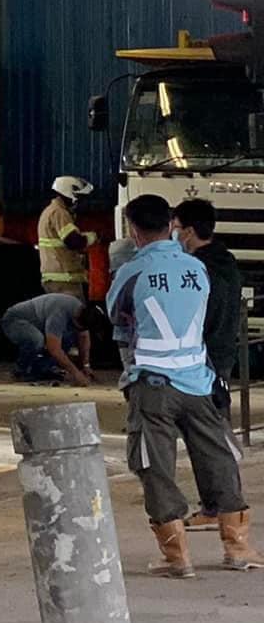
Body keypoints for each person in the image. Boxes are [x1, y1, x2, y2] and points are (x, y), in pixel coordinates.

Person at [107, 193, 262, 576]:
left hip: (154, 385)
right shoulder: (197, 268)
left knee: (154, 466)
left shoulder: (133, 270)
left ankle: (177, 557)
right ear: (170, 224)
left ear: (133, 229)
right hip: (199, 380)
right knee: (218, 460)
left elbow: (116, 313)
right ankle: (238, 549)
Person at [175, 197, 245, 527]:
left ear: (189, 231)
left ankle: (218, 508)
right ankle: (222, 506)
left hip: (204, 364)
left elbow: (200, 318)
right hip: (220, 358)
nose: (175, 235)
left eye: (176, 229)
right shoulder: (226, 262)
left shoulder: (200, 269)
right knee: (216, 437)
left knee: (208, 441)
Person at [0, 292, 94, 387]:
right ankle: (19, 371)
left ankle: (41, 370)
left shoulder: (81, 310)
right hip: (14, 320)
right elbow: (54, 348)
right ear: (76, 318)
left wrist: (85, 365)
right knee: (36, 340)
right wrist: (75, 373)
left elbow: (84, 337)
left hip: (38, 325)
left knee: (68, 338)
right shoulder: (59, 313)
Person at [38, 175, 96, 300]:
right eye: (79, 197)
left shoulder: (52, 211)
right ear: (70, 194)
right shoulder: (59, 213)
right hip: (64, 280)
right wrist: (92, 237)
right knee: (73, 315)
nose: (79, 201)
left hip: (57, 279)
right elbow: (73, 241)